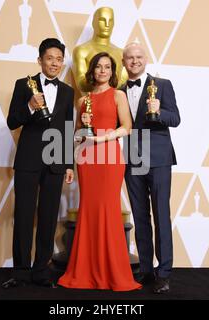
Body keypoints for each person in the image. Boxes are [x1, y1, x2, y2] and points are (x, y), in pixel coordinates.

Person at [58, 52, 141, 291]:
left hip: (110, 158)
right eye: (98, 67)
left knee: (108, 210)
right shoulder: (82, 101)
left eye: (107, 67)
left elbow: (127, 127)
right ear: (92, 71)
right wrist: (83, 125)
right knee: (89, 211)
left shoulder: (118, 95)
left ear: (112, 72)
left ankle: (112, 272)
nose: (103, 71)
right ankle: (86, 271)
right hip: (87, 160)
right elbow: (77, 137)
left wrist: (106, 135)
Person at [2, 38, 74, 289]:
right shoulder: (24, 85)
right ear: (40, 60)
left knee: (48, 217)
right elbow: (12, 121)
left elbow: (67, 128)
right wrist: (30, 108)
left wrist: (68, 165)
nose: (54, 63)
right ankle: (20, 272)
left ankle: (41, 271)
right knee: (23, 214)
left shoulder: (67, 91)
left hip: (56, 161)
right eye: (50, 58)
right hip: (29, 159)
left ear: (62, 62)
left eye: (58, 59)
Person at [121, 42, 180, 293]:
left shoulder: (162, 85)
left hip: (157, 158)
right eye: (130, 58)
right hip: (133, 158)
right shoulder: (120, 91)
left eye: (139, 57)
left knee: (160, 216)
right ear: (123, 62)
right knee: (140, 216)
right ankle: (145, 270)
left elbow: (175, 118)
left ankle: (164, 273)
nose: (134, 61)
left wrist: (160, 111)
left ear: (146, 59)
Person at [72, 7, 128, 92]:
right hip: (90, 103)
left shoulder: (122, 53)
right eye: (102, 20)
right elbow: (81, 85)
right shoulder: (82, 50)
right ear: (94, 23)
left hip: (116, 103)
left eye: (110, 21)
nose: (107, 24)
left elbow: (123, 83)